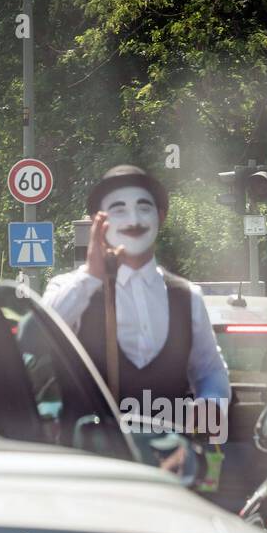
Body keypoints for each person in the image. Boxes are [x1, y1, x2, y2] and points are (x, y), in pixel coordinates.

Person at [41, 165, 230, 415]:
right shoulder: (68, 288)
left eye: (144, 208)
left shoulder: (188, 296)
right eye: (119, 210)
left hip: (168, 449)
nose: (134, 221)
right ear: (99, 221)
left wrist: (212, 402)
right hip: (90, 451)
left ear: (160, 217)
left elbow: (210, 370)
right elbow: (39, 337)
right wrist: (91, 275)